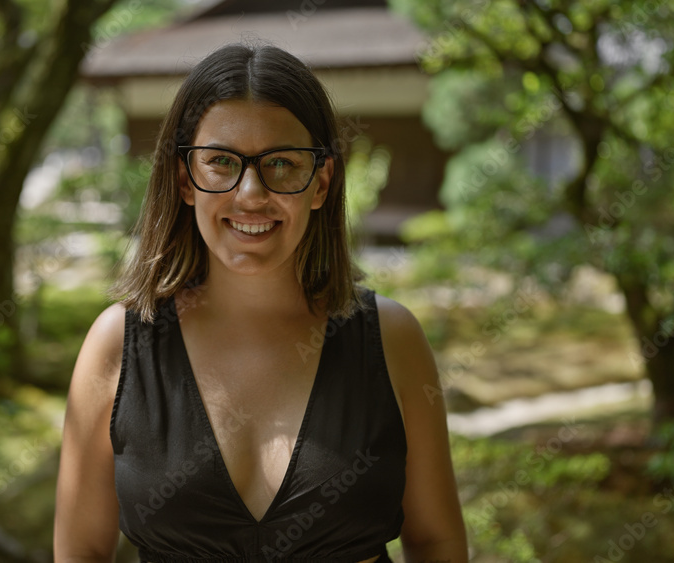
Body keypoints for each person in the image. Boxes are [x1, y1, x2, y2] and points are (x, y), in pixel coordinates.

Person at [54, 43, 468, 562]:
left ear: (320, 183)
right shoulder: (118, 345)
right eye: (221, 162)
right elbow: (80, 552)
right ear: (186, 180)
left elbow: (436, 542)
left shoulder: (391, 339)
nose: (251, 193)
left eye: (282, 164)